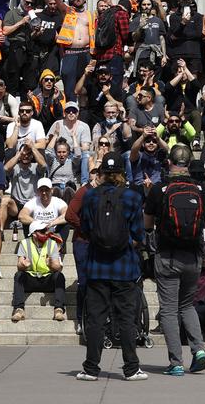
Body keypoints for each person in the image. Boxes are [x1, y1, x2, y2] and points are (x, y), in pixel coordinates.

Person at [144, 145, 205, 376]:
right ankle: (199, 349)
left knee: (168, 310)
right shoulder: (200, 188)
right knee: (187, 305)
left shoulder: (159, 189)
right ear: (189, 163)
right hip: (193, 257)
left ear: (169, 162)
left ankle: (176, 362)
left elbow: (146, 225)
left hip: (168, 257)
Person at [76, 151, 147, 382]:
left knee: (96, 319)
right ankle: (131, 368)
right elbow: (138, 232)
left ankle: (91, 369)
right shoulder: (132, 197)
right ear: (121, 174)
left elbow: (85, 229)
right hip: (124, 267)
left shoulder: (90, 196)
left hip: (97, 266)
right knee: (126, 318)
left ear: (103, 174)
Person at [11, 220, 66, 322]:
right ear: (34, 234)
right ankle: (19, 309)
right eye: (42, 231)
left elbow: (58, 267)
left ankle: (59, 310)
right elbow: (19, 265)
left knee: (59, 276)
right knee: (18, 275)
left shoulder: (52, 243)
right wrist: (23, 265)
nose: (46, 233)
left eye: (46, 230)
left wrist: (51, 264)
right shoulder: (24, 243)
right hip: (31, 278)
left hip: (47, 279)